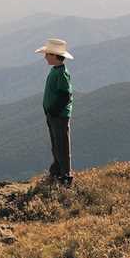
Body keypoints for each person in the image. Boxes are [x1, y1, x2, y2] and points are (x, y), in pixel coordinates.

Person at [35, 38, 74, 186]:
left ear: (54, 56)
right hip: (54, 115)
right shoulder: (56, 71)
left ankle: (66, 175)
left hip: (59, 116)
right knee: (56, 144)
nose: (45, 57)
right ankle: (57, 169)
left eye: (47, 54)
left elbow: (66, 95)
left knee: (61, 144)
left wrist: (54, 110)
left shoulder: (61, 73)